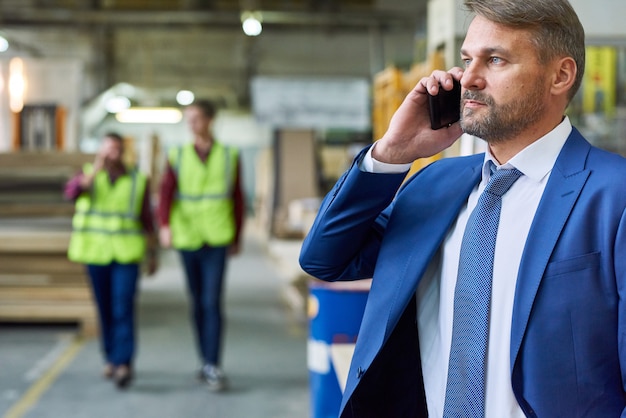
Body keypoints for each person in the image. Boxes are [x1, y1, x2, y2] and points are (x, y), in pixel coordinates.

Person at [299, 0, 626, 416]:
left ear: (560, 75)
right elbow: (325, 258)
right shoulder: (436, 185)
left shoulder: (614, 196)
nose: (469, 78)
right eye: (467, 59)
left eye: (495, 60)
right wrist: (393, 153)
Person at [158, 99, 245, 391]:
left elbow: (237, 198)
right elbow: (166, 192)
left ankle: (213, 364)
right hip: (188, 237)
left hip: (218, 237)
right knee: (197, 303)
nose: (191, 123)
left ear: (210, 120)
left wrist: (237, 236)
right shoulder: (178, 155)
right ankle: (204, 360)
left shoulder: (229, 155)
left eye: (196, 118)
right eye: (188, 119)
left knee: (211, 301)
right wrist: (166, 226)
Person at [66, 132, 158, 389]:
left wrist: (153, 254)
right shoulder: (88, 176)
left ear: (124, 152)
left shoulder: (138, 180)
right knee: (105, 307)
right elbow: (72, 193)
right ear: (100, 151)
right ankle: (110, 357)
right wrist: (95, 170)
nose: (112, 155)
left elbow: (147, 220)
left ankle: (124, 363)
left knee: (123, 306)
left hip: (127, 254)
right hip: (96, 254)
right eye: (107, 150)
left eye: (116, 149)